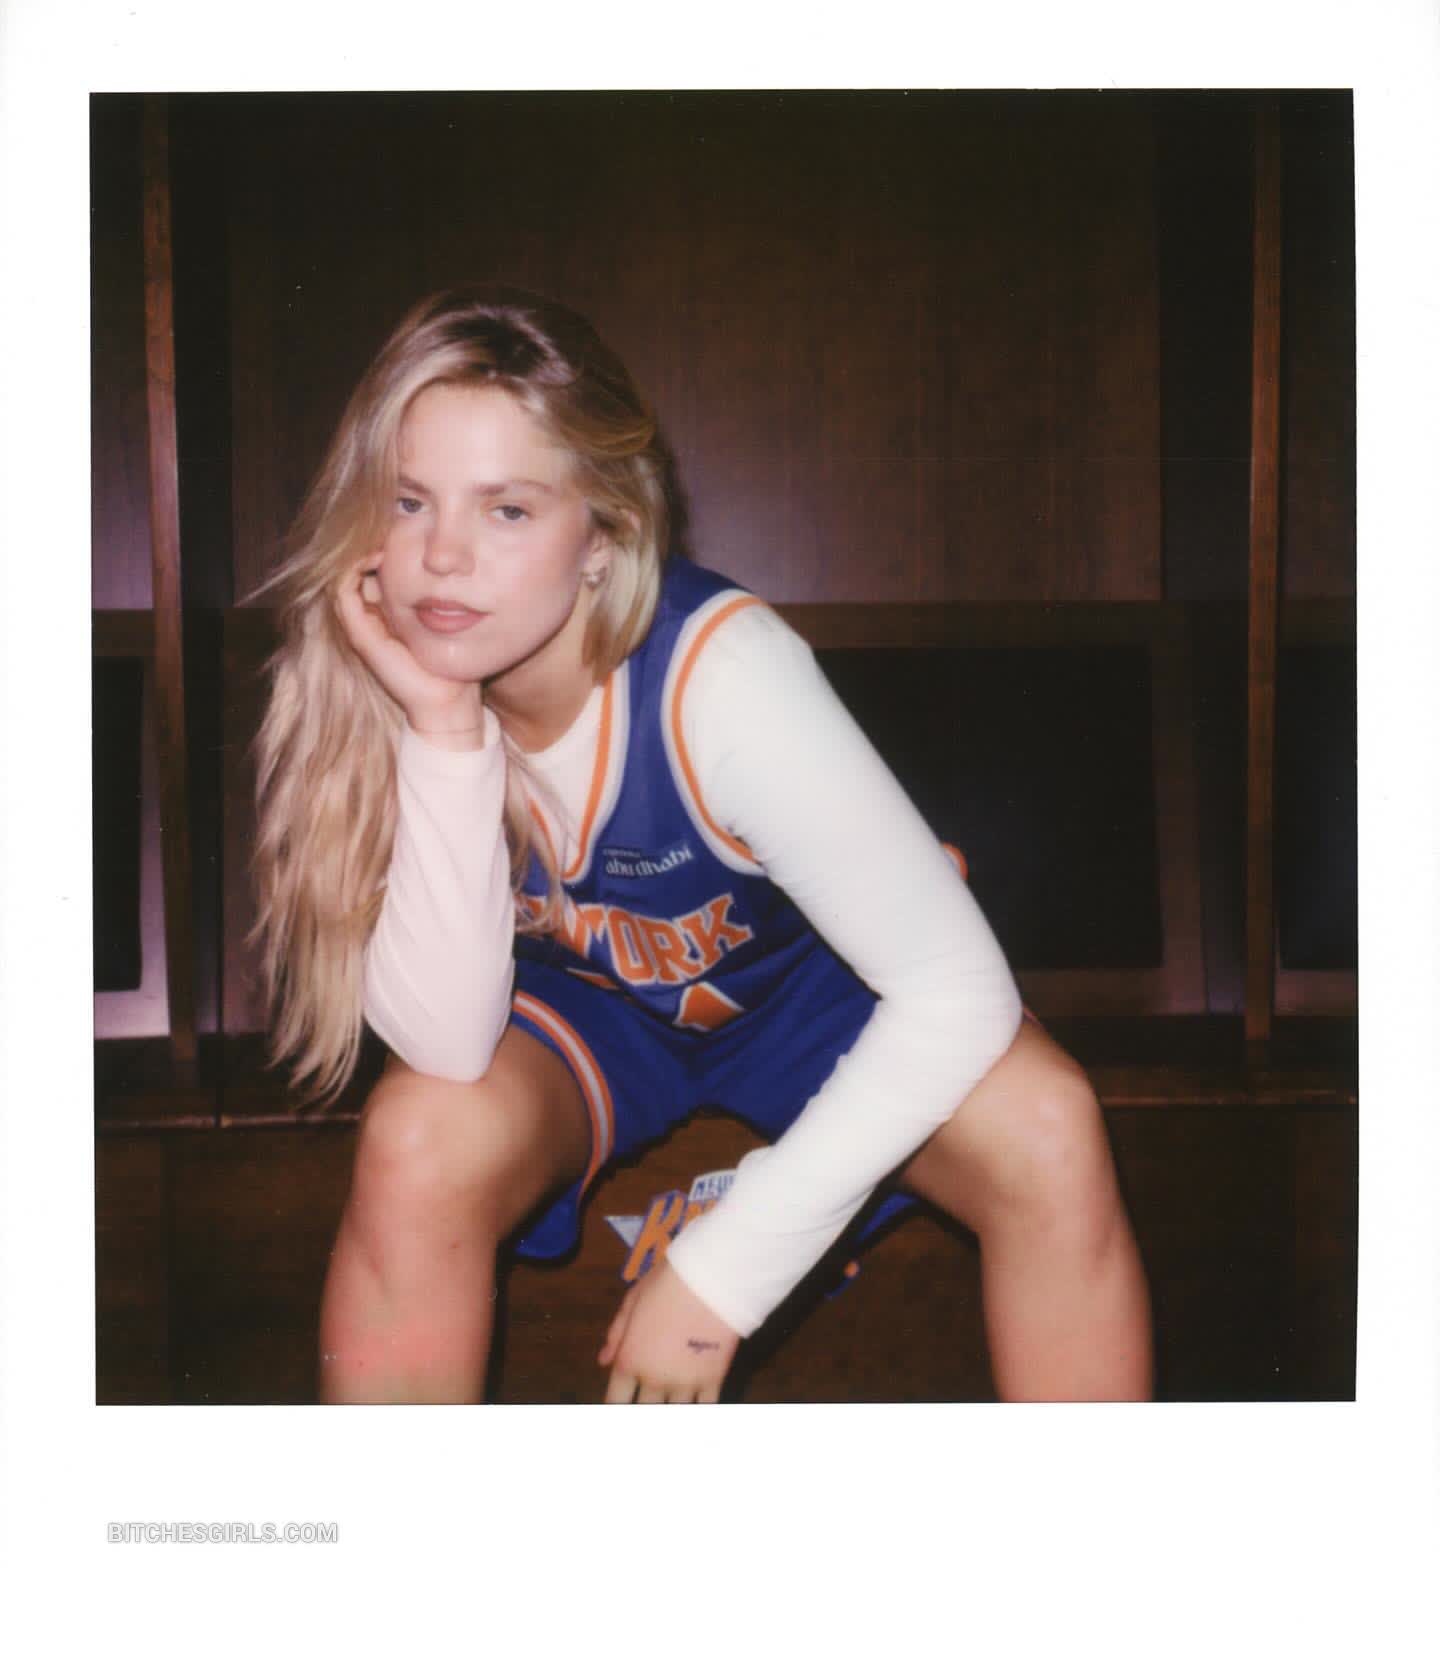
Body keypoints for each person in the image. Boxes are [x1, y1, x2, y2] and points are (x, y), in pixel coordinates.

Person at [253, 283, 1152, 1404]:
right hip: (589, 1012)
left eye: (508, 510)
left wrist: (727, 1271)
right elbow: (442, 1044)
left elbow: (959, 992)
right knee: (414, 1144)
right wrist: (443, 730)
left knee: (1049, 1128)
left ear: (604, 535)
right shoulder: (389, 673)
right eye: (408, 501)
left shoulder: (721, 676)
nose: (441, 557)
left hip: (804, 993)